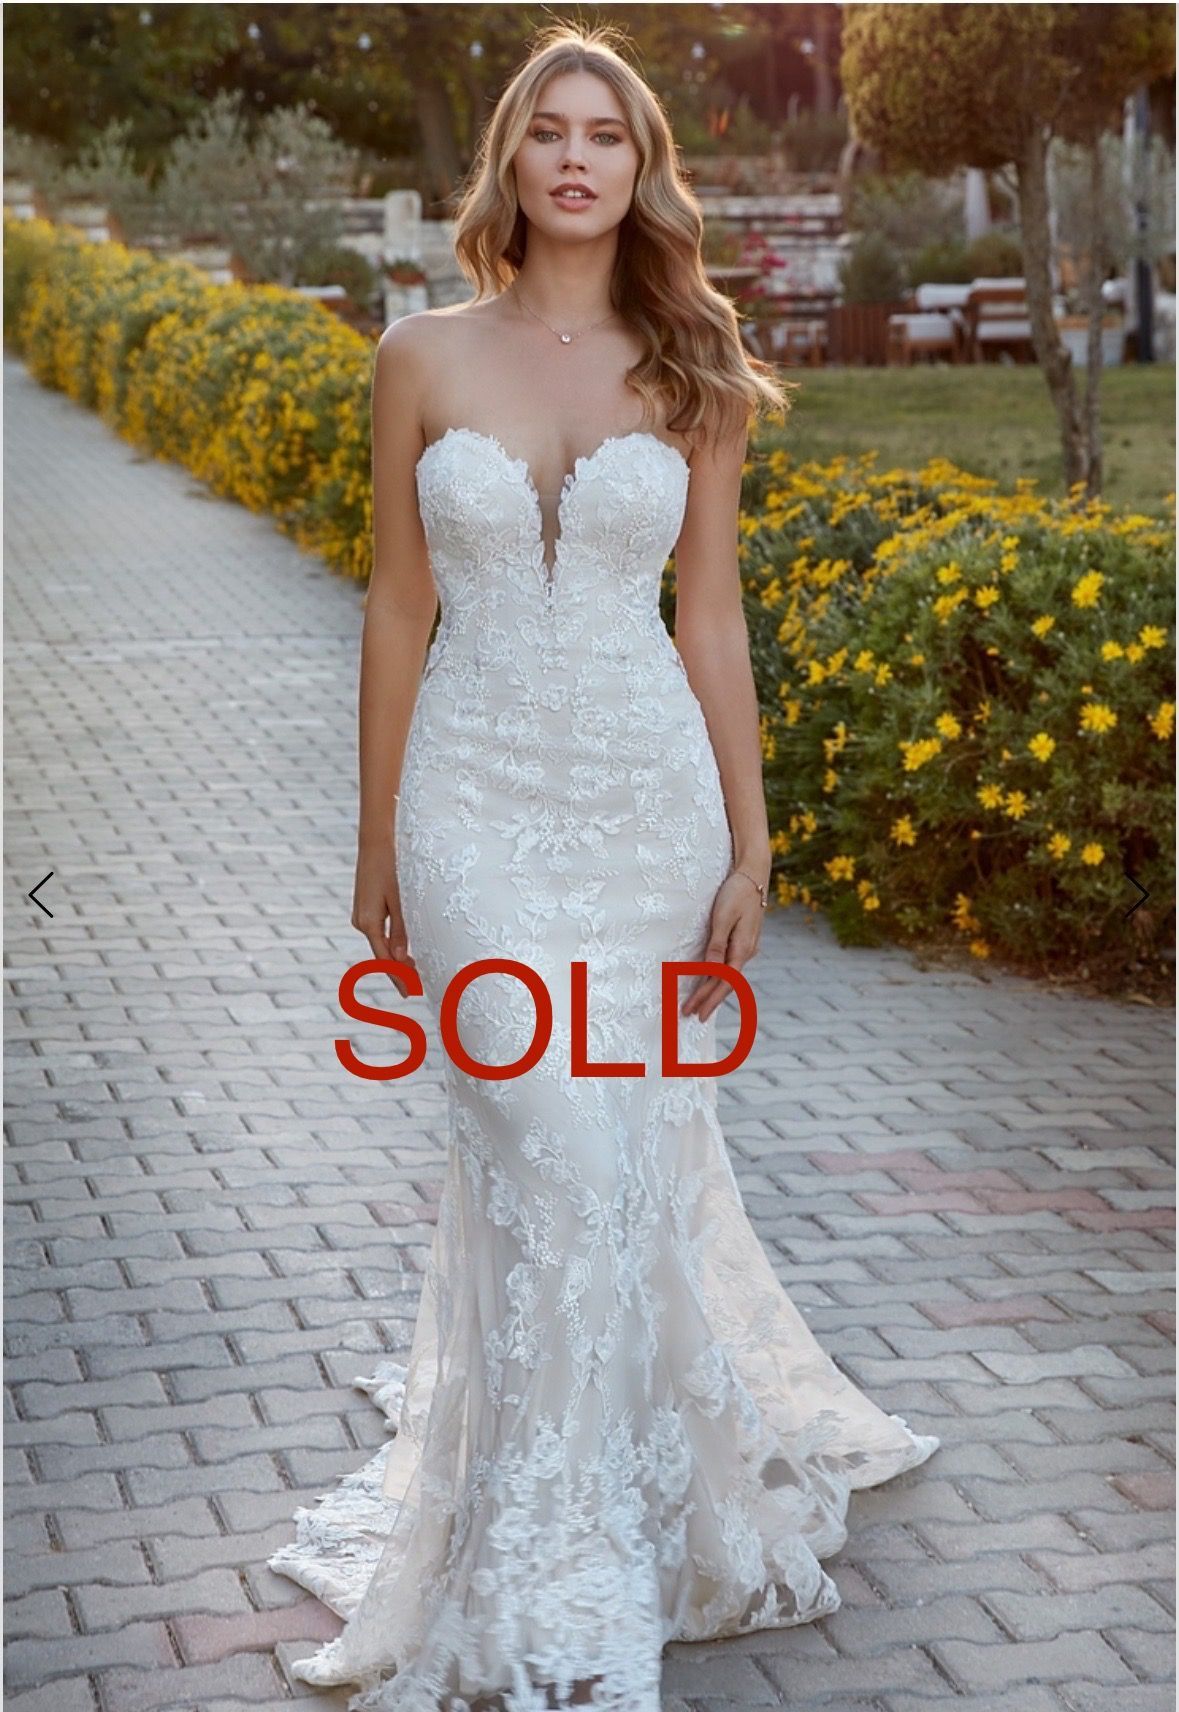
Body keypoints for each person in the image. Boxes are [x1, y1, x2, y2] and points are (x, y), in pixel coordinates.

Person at [266, 21, 939, 1712]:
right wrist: (374, 843)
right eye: (549, 131)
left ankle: (618, 1524)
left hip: (648, 808)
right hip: (474, 807)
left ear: (642, 172)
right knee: (553, 1156)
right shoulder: (418, 353)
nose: (577, 158)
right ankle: (548, 1559)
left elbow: (707, 611)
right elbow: (400, 604)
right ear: (511, 161)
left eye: (609, 137)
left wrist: (756, 832)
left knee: (618, 1163)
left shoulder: (689, 360)